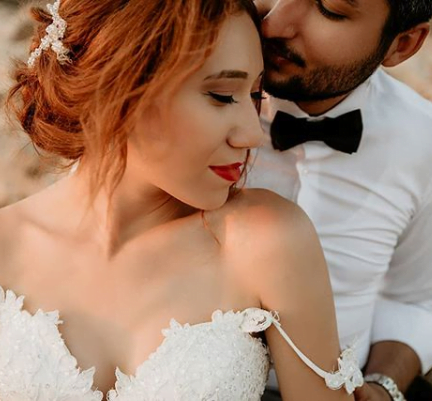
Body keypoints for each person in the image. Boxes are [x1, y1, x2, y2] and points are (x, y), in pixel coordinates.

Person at [0, 0, 363, 400]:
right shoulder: (6, 245)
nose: (252, 134)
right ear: (118, 88)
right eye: (222, 95)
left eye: (255, 94)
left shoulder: (268, 241)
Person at [247, 1, 432, 400]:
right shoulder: (175, 97)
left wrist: (384, 386)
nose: (275, 24)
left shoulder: (423, 142)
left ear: (401, 44)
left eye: (329, 8)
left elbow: (417, 300)